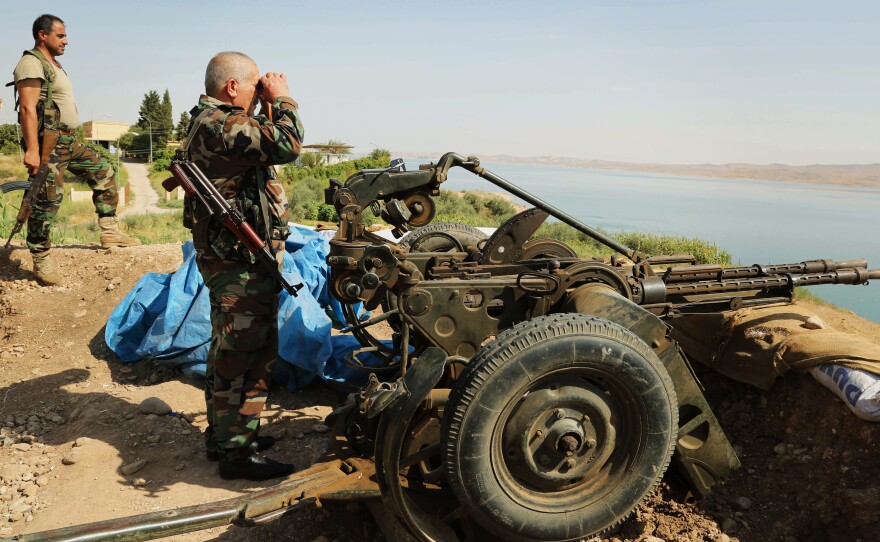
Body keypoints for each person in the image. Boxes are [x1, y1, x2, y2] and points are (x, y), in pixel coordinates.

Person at [180, 51, 304, 481]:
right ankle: (237, 453)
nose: (261, 91)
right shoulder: (223, 123)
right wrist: (284, 99)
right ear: (232, 86)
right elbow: (287, 143)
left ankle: (228, 436)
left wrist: (267, 105)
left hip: (232, 259)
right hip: (240, 262)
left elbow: (263, 141)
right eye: (255, 85)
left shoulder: (213, 122)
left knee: (227, 348)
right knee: (247, 353)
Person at [12, 14, 140, 285]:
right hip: (49, 143)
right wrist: (33, 151)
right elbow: (26, 108)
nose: (66, 41)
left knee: (105, 172)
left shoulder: (54, 65)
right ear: (42, 35)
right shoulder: (31, 63)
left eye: (65, 35)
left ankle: (109, 232)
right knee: (48, 199)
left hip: (69, 140)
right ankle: (41, 259)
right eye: (60, 35)